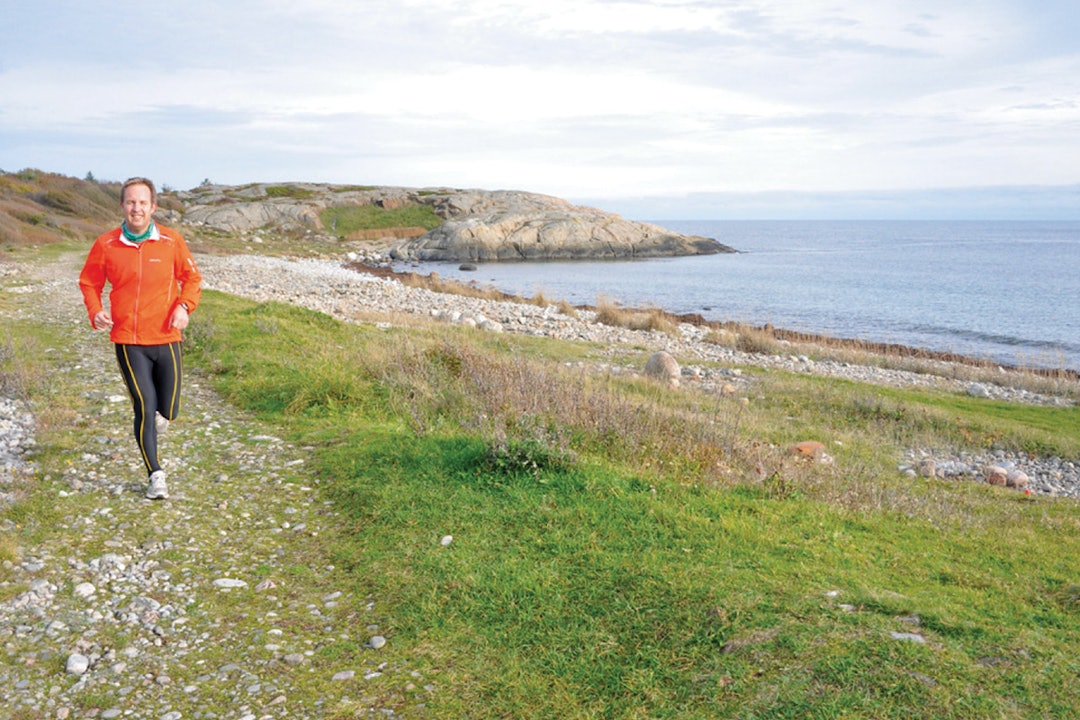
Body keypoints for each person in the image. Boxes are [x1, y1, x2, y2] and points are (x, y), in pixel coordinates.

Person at [79, 177, 202, 500]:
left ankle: (159, 419)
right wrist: (96, 311)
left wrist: (184, 306)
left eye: (143, 203)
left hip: (166, 337)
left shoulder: (172, 241)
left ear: (153, 207)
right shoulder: (107, 244)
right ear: (122, 206)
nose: (137, 208)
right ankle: (155, 475)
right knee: (145, 407)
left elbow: (192, 279)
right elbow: (89, 282)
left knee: (169, 410)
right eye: (131, 202)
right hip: (129, 340)